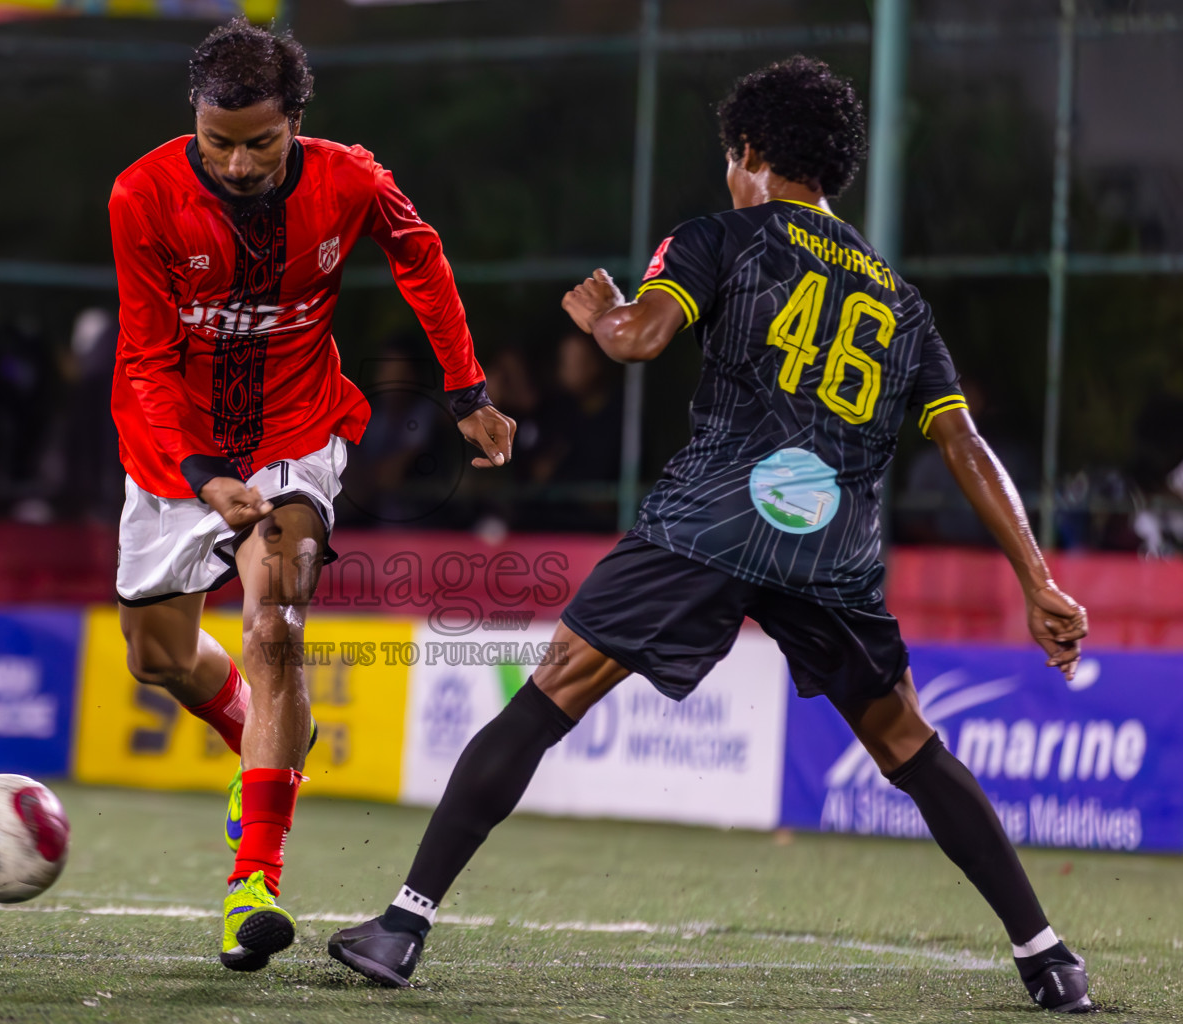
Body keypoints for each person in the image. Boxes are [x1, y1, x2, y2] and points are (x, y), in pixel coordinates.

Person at [327, 56, 1093, 1014]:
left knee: (555, 688)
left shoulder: (718, 236)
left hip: (714, 518)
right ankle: (1049, 957)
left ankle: (401, 926)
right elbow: (964, 442)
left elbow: (639, 340)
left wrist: (603, 313)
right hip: (831, 543)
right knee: (908, 742)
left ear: (749, 153)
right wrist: (1037, 578)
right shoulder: (900, 299)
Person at [108, 19, 514, 973]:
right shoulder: (143, 195)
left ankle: (253, 881)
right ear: (194, 123)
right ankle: (264, 731)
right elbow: (143, 358)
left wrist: (466, 390)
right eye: (220, 142)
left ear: (297, 119)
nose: (241, 163)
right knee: (158, 658)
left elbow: (422, 254)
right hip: (176, 447)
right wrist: (201, 473)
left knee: (277, 625)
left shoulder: (351, 178)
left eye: (261, 141)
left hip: (299, 431)